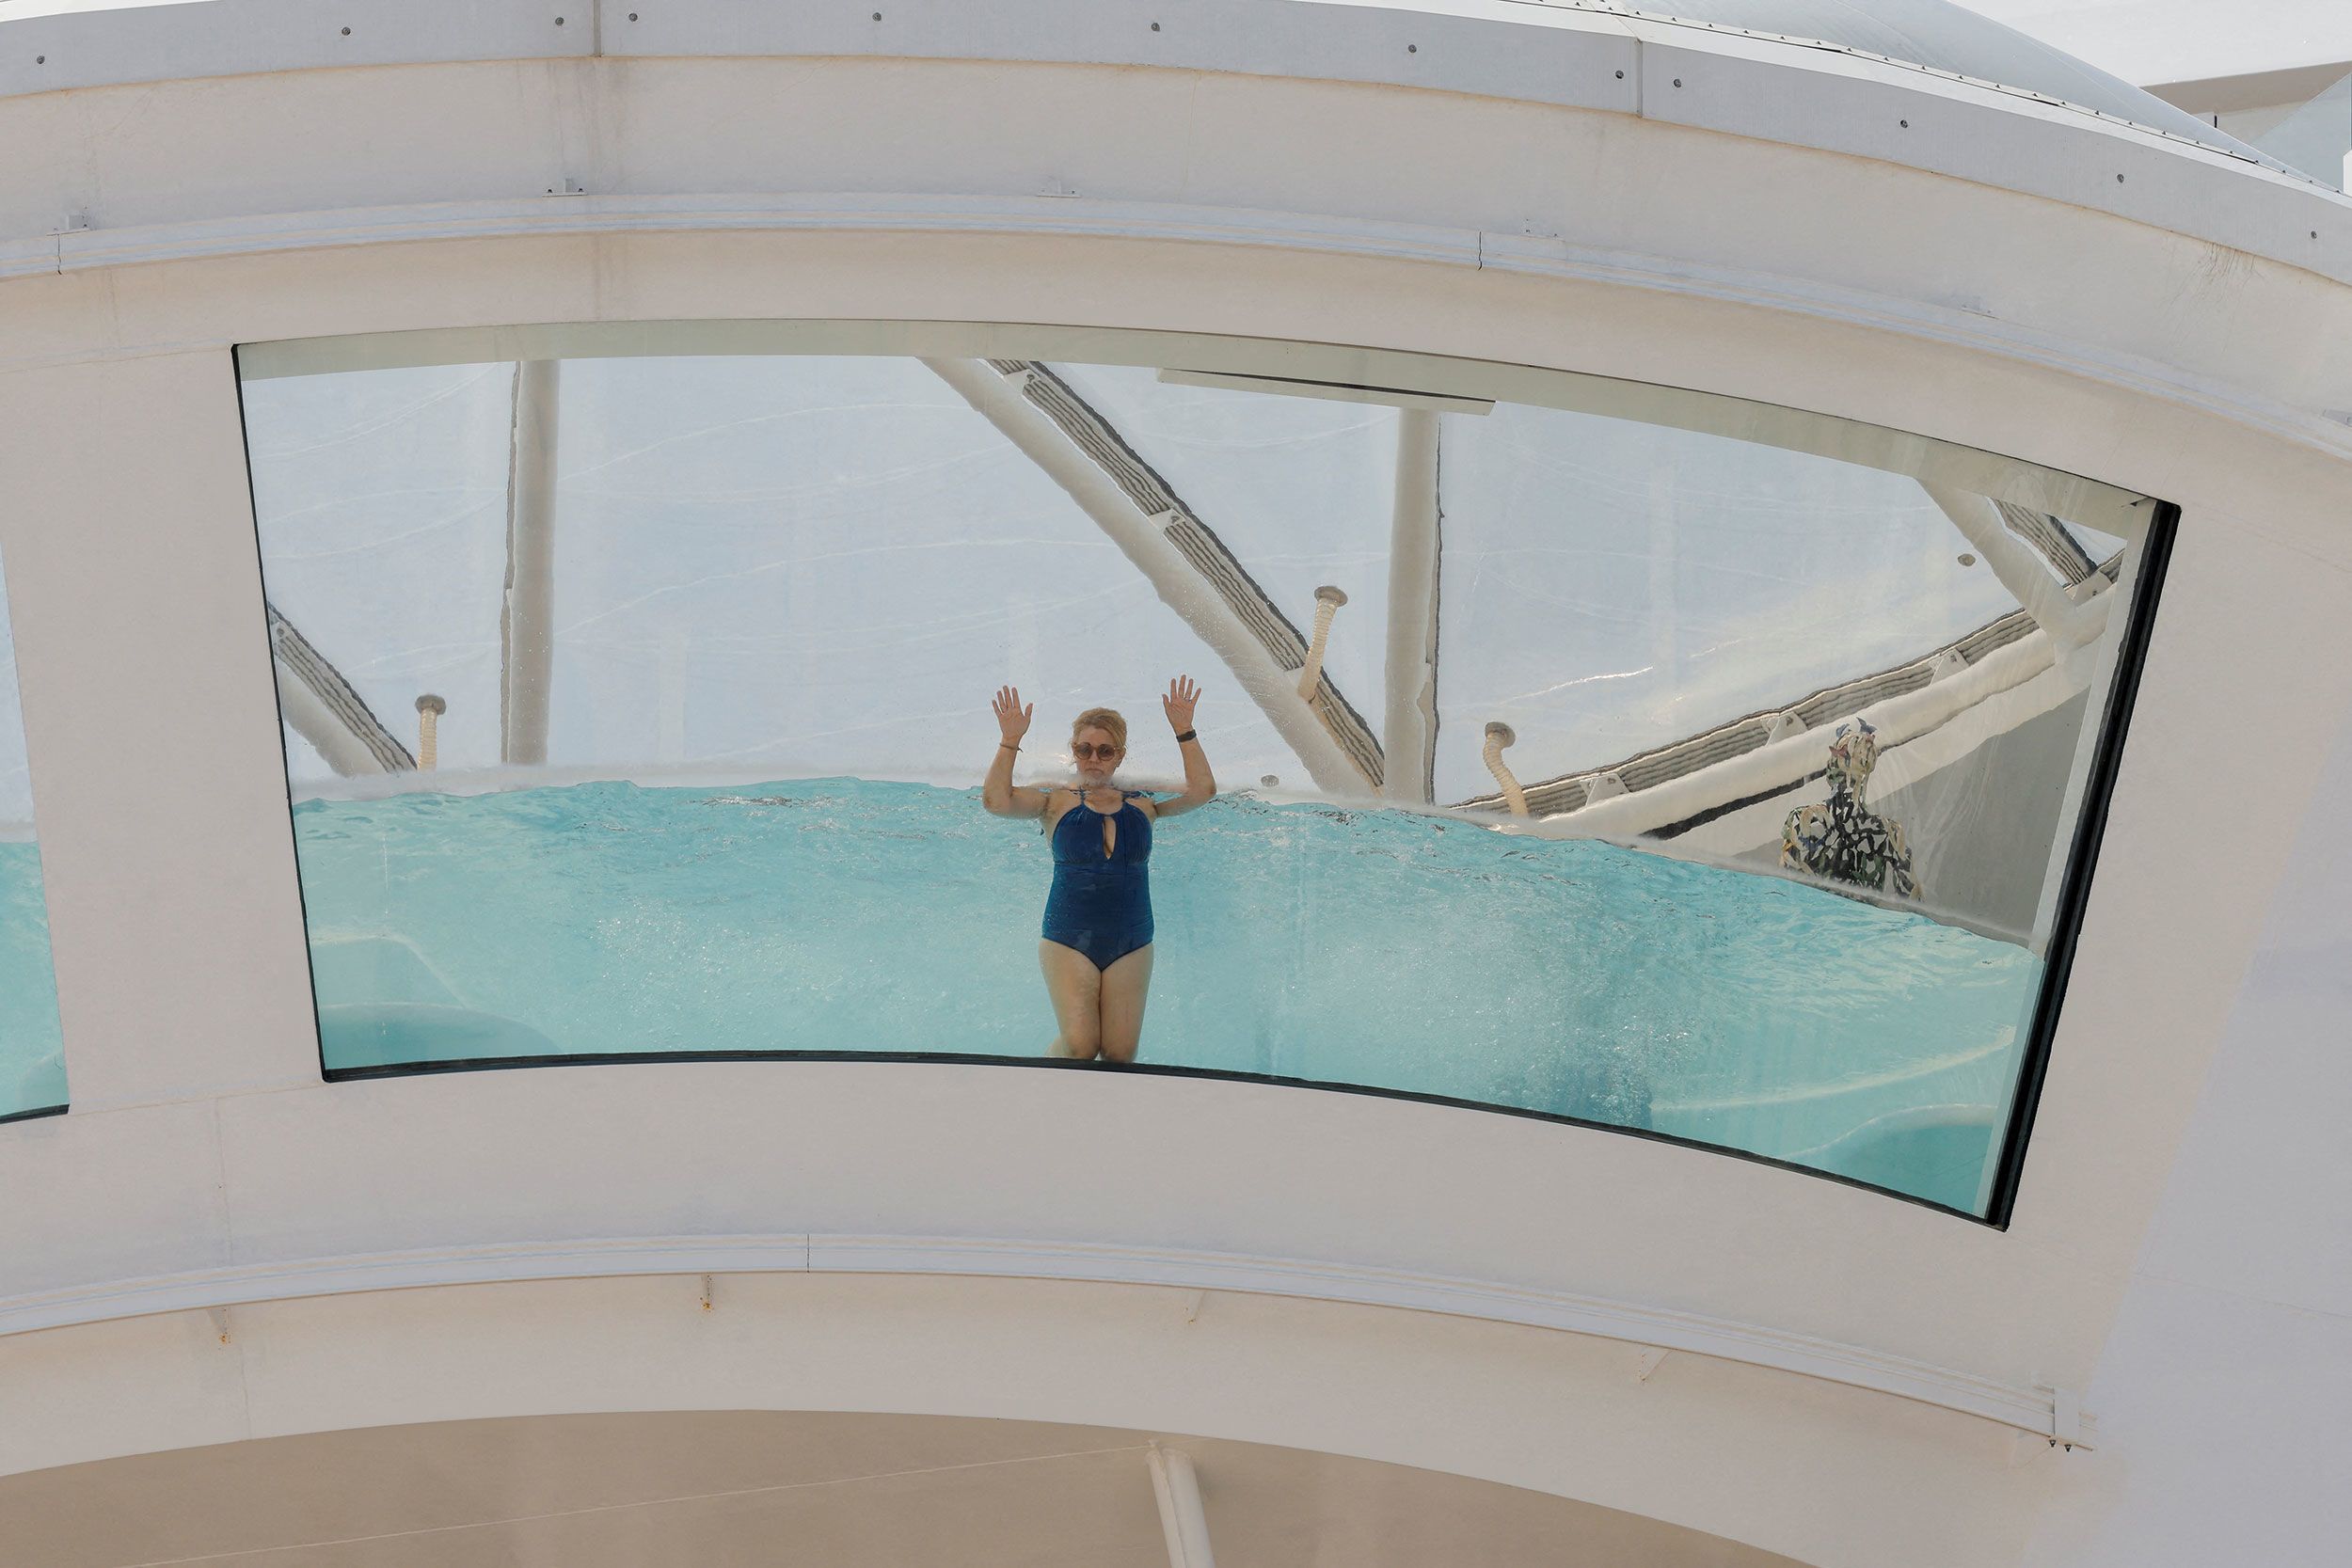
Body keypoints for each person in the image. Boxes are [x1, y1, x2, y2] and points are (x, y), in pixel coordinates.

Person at [983, 677, 1216, 1062]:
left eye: (1105, 751)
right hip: (1067, 936)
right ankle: (1038, 1084)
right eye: (1084, 749)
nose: (1093, 759)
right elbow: (995, 802)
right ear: (1073, 751)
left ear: (1120, 755)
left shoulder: (1143, 805)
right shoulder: (1055, 801)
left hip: (1133, 939)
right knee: (1080, 1047)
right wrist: (1010, 742)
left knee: (1120, 1055)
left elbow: (1203, 791)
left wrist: (1184, 731)